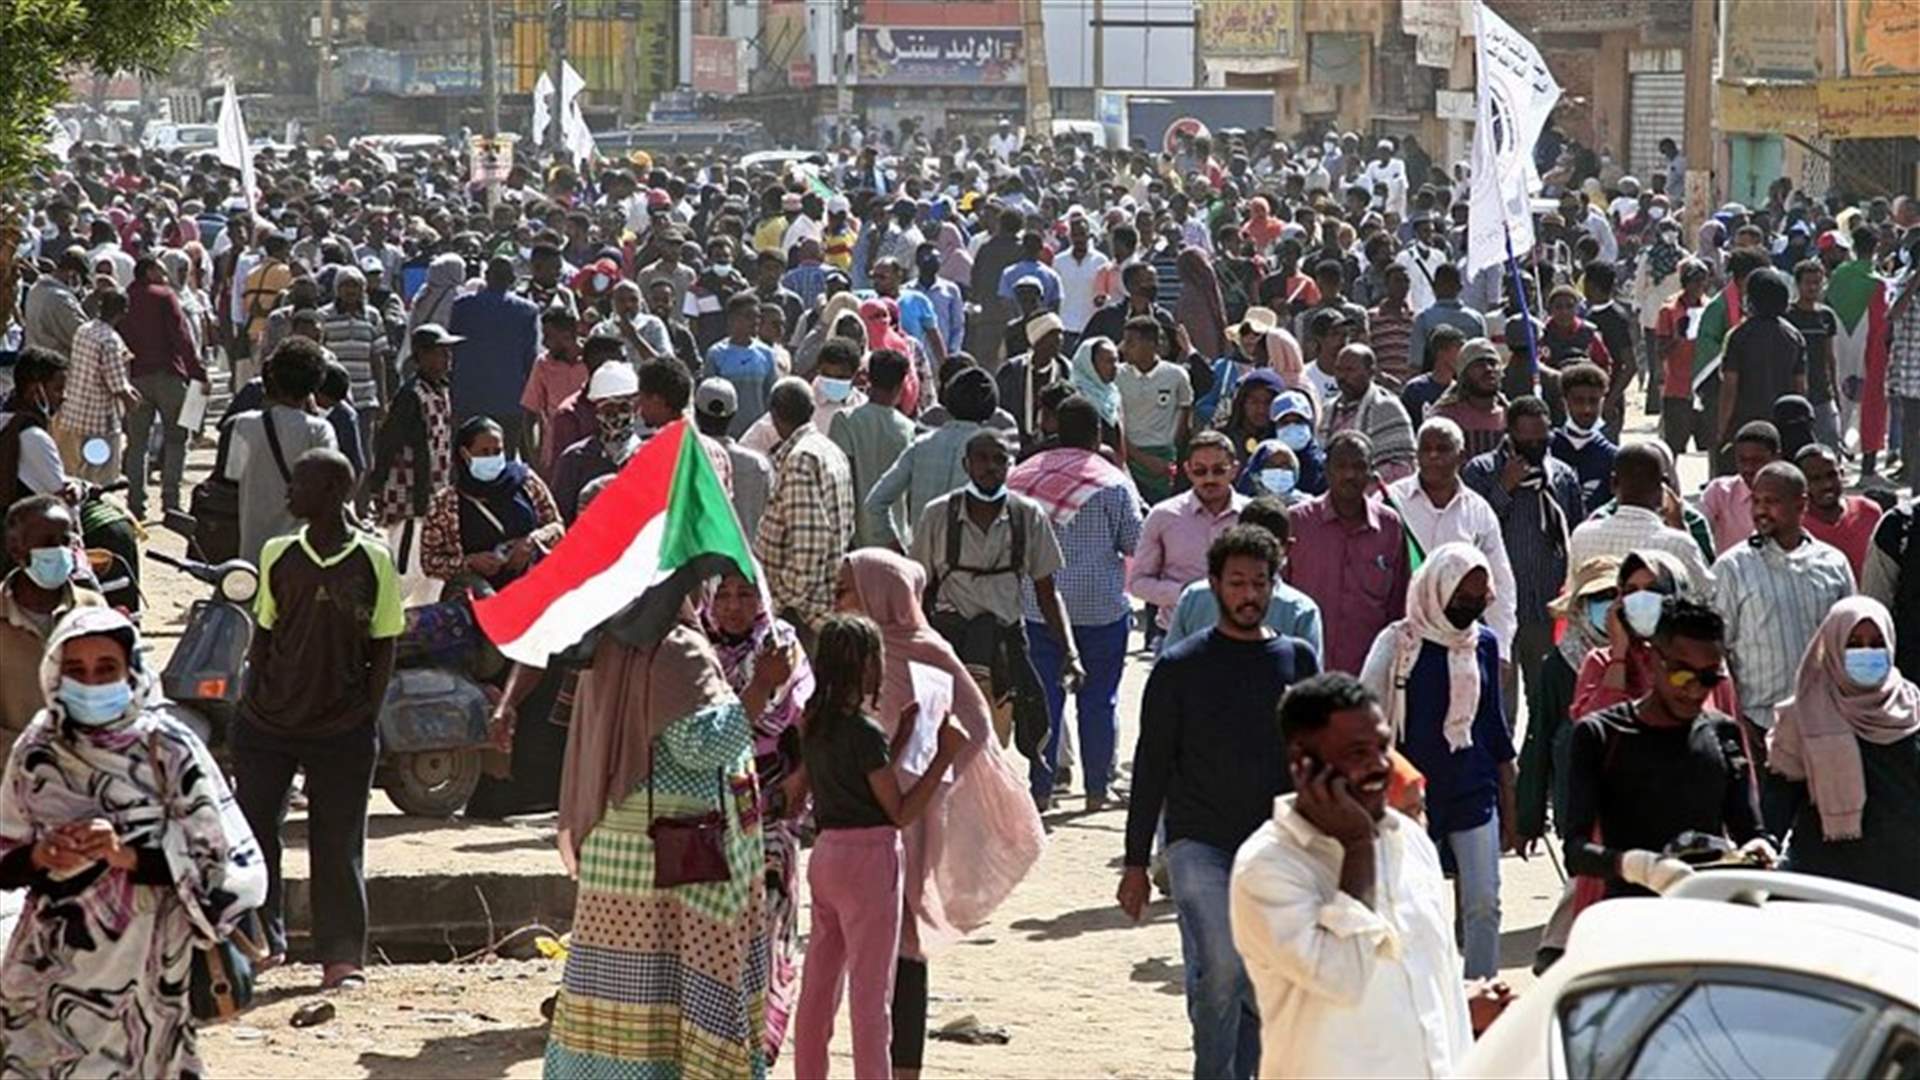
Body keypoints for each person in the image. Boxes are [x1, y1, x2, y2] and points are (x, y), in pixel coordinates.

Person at [0, 606, 265, 1077]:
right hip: (51, 966)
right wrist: (42, 854)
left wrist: (123, 854)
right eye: (76, 671)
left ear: (132, 671)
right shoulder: (38, 749)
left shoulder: (169, 747)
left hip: (147, 966)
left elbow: (216, 860)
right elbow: (6, 852)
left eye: (106, 669)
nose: (91, 682)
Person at [1119, 522, 1319, 1078]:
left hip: (1278, 847)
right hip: (1198, 843)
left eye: (1259, 582)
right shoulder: (1180, 667)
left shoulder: (1298, 661)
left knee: (1264, 978)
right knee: (1223, 969)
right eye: (1237, 582)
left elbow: (1317, 760)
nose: (1249, 594)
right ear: (1214, 585)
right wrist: (1136, 862)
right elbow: (1152, 767)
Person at [835, 550, 1044, 1079]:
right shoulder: (847, 653)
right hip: (856, 814)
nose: (836, 598)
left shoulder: (929, 652)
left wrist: (928, 773)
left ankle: (903, 1067)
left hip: (912, 815)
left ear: (879, 592)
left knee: (905, 939)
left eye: (846, 589)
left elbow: (974, 724)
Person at [545, 606, 770, 1078]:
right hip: (676, 855)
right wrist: (763, 687)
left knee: (623, 987)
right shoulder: (678, 648)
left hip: (615, 850)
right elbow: (701, 746)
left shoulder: (608, 642)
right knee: (680, 986)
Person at [1229, 673, 1480, 1079]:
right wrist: (1358, 847)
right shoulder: (1268, 868)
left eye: (1383, 747)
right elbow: (1342, 976)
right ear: (1302, 763)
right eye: (1357, 752)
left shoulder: (1411, 842)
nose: (1380, 766)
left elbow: (1443, 988)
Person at [235, 447, 401, 988]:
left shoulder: (373, 559)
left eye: (299, 484)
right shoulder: (278, 553)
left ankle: (342, 957)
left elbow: (384, 649)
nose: (289, 493)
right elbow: (264, 635)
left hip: (341, 727)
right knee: (256, 835)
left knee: (338, 842)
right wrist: (252, 701)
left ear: (332, 493)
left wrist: (363, 719)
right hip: (269, 722)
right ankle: (263, 942)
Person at [792, 614, 970, 1080]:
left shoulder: (816, 721)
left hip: (828, 855)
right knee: (872, 999)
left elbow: (857, 777)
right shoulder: (862, 731)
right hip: (870, 862)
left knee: (818, 990)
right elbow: (900, 811)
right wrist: (943, 756)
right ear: (867, 666)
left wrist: (901, 739)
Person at [1358, 544, 1515, 979]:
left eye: (1479, 599)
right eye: (1462, 598)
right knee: (1414, 906)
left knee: (1484, 902)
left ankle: (1482, 993)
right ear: (1439, 590)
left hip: (1474, 787)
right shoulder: (1398, 643)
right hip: (1413, 801)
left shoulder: (1483, 642)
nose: (1471, 607)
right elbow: (1366, 720)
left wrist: (1512, 801)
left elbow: (1493, 725)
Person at [1560, 598, 1769, 903]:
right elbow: (1576, 853)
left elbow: (1749, 830)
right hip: (1632, 919)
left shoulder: (1723, 734)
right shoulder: (1601, 735)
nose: (1695, 690)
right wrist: (1637, 866)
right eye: (1682, 675)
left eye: (1709, 678)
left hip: (1707, 914)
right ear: (1655, 660)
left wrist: (1758, 849)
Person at [1006, 396, 1144, 809]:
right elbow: (1133, 542)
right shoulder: (1113, 481)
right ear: (1096, 434)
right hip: (1101, 609)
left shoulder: (1021, 476)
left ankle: (1042, 789)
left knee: (1043, 699)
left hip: (1036, 608)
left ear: (1054, 430)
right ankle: (1097, 790)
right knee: (1099, 700)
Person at [705, 569, 815, 1065]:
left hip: (771, 796)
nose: (731, 605)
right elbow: (710, 729)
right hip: (709, 800)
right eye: (722, 594)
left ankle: (760, 1038)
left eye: (745, 594)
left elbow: (807, 719)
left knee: (769, 913)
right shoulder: (695, 647)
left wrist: (802, 778)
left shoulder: (782, 643)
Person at [913, 429, 1080, 753]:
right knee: (945, 745)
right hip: (951, 646)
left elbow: (1048, 592)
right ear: (966, 464)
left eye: (999, 460)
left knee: (992, 747)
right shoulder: (938, 515)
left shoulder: (1027, 516)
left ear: (1010, 465)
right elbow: (918, 588)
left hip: (1004, 649)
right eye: (982, 459)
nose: (990, 467)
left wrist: (1069, 651)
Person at [1764, 597, 1920, 899]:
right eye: (1854, 643)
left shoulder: (1912, 709)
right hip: (1832, 885)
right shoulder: (1803, 715)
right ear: (1832, 645)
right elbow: (1778, 804)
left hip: (1907, 884)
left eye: (1876, 643)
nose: (1867, 653)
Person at [1712, 461, 1857, 769]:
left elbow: (1850, 642)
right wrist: (1737, 719)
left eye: (1772, 501)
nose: (1761, 510)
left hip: (1825, 722)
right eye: (1757, 501)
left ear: (1801, 504)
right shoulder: (1732, 568)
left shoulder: (1833, 564)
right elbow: (1717, 650)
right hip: (1759, 725)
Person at [1461, 395, 1583, 725]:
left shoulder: (1561, 475)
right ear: (1510, 434)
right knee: (1500, 706)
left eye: (1541, 439)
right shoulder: (1482, 472)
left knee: (1547, 704)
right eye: (1526, 440)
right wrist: (1505, 487)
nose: (1534, 446)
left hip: (1544, 607)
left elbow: (1575, 534)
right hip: (1495, 610)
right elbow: (1470, 533)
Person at [1386, 417, 1519, 661]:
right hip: (1403, 637)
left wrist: (1501, 650)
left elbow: (1500, 583)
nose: (1433, 456)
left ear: (1461, 456)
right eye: (1426, 449)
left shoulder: (1478, 512)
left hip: (1459, 642)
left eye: (1443, 449)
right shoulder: (1390, 502)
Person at [1286, 431, 1412, 675]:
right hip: (1305, 670)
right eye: (1341, 466)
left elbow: (1398, 604)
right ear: (1327, 469)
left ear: (1371, 471)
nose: (1350, 475)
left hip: (1369, 673)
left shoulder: (1390, 526)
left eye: (1359, 466)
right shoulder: (1298, 521)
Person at [756, 377, 856, 646]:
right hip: (815, 601)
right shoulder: (828, 450)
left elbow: (810, 543)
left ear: (774, 415)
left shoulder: (802, 459)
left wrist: (783, 601)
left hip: (802, 613)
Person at [365, 323, 460, 605]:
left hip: (435, 496)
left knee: (431, 573)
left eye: (448, 353)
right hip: (410, 499)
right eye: (440, 353)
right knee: (405, 569)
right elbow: (389, 444)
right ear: (420, 356)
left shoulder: (441, 390)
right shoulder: (411, 396)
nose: (447, 360)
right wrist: (377, 487)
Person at [0, 495, 106, 744]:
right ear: (17, 550)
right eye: (47, 543)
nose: (60, 550)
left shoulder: (92, 609)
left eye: (65, 541)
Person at [224, 338, 339, 566]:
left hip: (253, 550)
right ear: (316, 383)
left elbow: (233, 475)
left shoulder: (243, 426)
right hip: (304, 552)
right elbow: (331, 485)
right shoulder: (319, 429)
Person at [421, 414, 565, 594]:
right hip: (477, 594)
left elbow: (557, 527)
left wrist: (532, 542)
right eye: (484, 452)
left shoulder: (526, 482)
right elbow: (429, 561)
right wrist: (469, 562)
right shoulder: (446, 503)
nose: (492, 457)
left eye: (497, 451)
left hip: (534, 584)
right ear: (465, 454)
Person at [1132, 432, 1249, 649]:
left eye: (1219, 470)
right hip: (1178, 638)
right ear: (1187, 470)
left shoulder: (1251, 515)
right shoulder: (1163, 516)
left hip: (1242, 638)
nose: (1209, 478)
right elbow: (1138, 583)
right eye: (1200, 471)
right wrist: (1185, 594)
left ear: (1234, 470)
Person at [866, 367, 1002, 548]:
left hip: (922, 561)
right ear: (990, 408)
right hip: (971, 565)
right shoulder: (994, 455)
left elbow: (875, 502)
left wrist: (897, 548)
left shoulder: (921, 445)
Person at [121, 255, 209, 521]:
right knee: (176, 438)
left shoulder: (125, 298)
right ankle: (171, 502)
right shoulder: (164, 296)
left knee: (137, 443)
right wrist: (198, 373)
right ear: (148, 271)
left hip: (135, 378)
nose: (165, 275)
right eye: (160, 269)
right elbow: (181, 337)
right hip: (168, 376)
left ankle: (136, 501)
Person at [1566, 441, 1714, 596]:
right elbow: (1708, 594)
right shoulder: (1679, 544)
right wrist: (1679, 525)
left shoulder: (1582, 536)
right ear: (1664, 485)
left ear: (1613, 483)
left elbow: (1572, 594)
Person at [448, 257, 540, 457]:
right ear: (512, 279)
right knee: (503, 457)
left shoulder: (462, 306)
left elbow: (452, 350)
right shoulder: (527, 311)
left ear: (486, 277)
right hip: (510, 399)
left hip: (468, 397)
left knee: (466, 456)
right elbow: (530, 358)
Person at [1715, 266, 1807, 463]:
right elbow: (1800, 387)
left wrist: (1722, 429)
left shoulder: (1739, 336)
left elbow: (1730, 386)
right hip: (1782, 427)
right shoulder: (1793, 336)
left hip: (1745, 427)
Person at [831, 347, 917, 549]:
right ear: (900, 385)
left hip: (856, 539)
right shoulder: (909, 429)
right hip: (896, 540)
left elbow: (841, 479)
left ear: (868, 378)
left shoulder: (845, 421)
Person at [54, 286, 138, 481]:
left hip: (74, 415)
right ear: (123, 311)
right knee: (100, 477)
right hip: (99, 423)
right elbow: (117, 385)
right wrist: (132, 403)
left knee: (77, 471)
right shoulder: (109, 340)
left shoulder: (84, 330)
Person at [1116, 317, 1193, 503]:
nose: (1124, 348)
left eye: (1131, 342)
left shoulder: (1176, 375)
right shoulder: (1117, 375)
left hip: (1162, 461)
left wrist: (1170, 454)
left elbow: (1185, 412)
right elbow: (1114, 420)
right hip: (1127, 456)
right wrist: (1137, 456)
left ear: (1151, 344)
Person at [694, 377, 774, 537]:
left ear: (696, 413)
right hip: (747, 559)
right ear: (734, 414)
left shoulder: (685, 460)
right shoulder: (758, 466)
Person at [1799, 443, 1882, 579]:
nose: (1826, 484)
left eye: (1831, 475)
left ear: (1842, 474)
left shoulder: (1869, 512)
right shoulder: (1796, 527)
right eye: (1815, 479)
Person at [703, 292, 781, 437]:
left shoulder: (766, 353)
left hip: (758, 435)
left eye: (758, 317)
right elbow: (708, 397)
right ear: (733, 319)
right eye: (749, 316)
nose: (755, 321)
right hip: (725, 433)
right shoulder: (716, 354)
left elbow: (772, 396)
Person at [1655, 260, 1712, 455]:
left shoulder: (1710, 308)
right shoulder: (1669, 310)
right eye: (1695, 282)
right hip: (1677, 387)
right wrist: (1678, 338)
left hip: (1704, 384)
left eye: (1703, 281)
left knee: (1709, 445)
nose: (1700, 287)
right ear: (1685, 283)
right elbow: (1660, 350)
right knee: (1674, 446)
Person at [1701, 420, 1780, 554]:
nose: (1748, 468)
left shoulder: (1790, 496)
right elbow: (1698, 531)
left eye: (1757, 461)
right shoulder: (1719, 492)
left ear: (1776, 458)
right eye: (1742, 460)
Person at [1552, 361, 1617, 514]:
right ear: (1565, 403)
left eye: (1593, 401)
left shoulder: (1612, 456)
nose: (1587, 409)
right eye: (1579, 401)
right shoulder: (1547, 447)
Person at [1429, 338, 1507, 459]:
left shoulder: (1510, 416)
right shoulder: (1445, 416)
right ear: (1464, 375)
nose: (1488, 369)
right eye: (1479, 365)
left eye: (1492, 363)